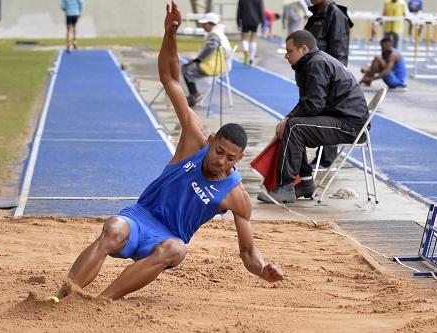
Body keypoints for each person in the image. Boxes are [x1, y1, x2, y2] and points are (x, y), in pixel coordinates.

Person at [56, 1, 283, 301]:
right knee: (112, 229)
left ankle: (103, 302)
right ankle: (63, 296)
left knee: (178, 248)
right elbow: (171, 79)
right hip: (139, 217)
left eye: (231, 159)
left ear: (240, 159)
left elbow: (248, 252)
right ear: (211, 140)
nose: (221, 162)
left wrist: (264, 268)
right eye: (219, 152)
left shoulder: (235, 196)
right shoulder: (193, 141)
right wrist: (170, 34)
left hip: (165, 239)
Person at [257, 30, 368, 204]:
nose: (286, 56)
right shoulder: (311, 62)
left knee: (294, 127)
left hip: (351, 125)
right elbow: (307, 102)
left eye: (289, 51)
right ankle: (306, 184)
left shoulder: (316, 64)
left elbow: (314, 105)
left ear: (303, 49)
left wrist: (287, 120)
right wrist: (288, 118)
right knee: (294, 125)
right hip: (342, 118)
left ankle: (284, 186)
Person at [304, 0, 354, 171]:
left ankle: (327, 160)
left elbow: (339, 51)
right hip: (313, 76)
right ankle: (320, 158)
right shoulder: (317, 13)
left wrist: (333, 82)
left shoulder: (335, 14)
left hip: (327, 78)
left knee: (326, 115)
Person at [182, 12, 232, 107]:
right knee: (188, 66)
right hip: (220, 64)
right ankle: (194, 94)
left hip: (216, 66)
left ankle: (195, 95)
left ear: (210, 23)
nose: (203, 26)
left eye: (204, 24)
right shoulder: (218, 33)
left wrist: (197, 60)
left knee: (186, 69)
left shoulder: (214, 35)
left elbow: (210, 48)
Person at [237, 0, 264, 65]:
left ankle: (246, 51)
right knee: (253, 39)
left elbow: (239, 10)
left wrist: (238, 21)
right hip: (255, 20)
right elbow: (261, 10)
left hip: (245, 19)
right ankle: (251, 58)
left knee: (244, 38)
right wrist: (262, 22)